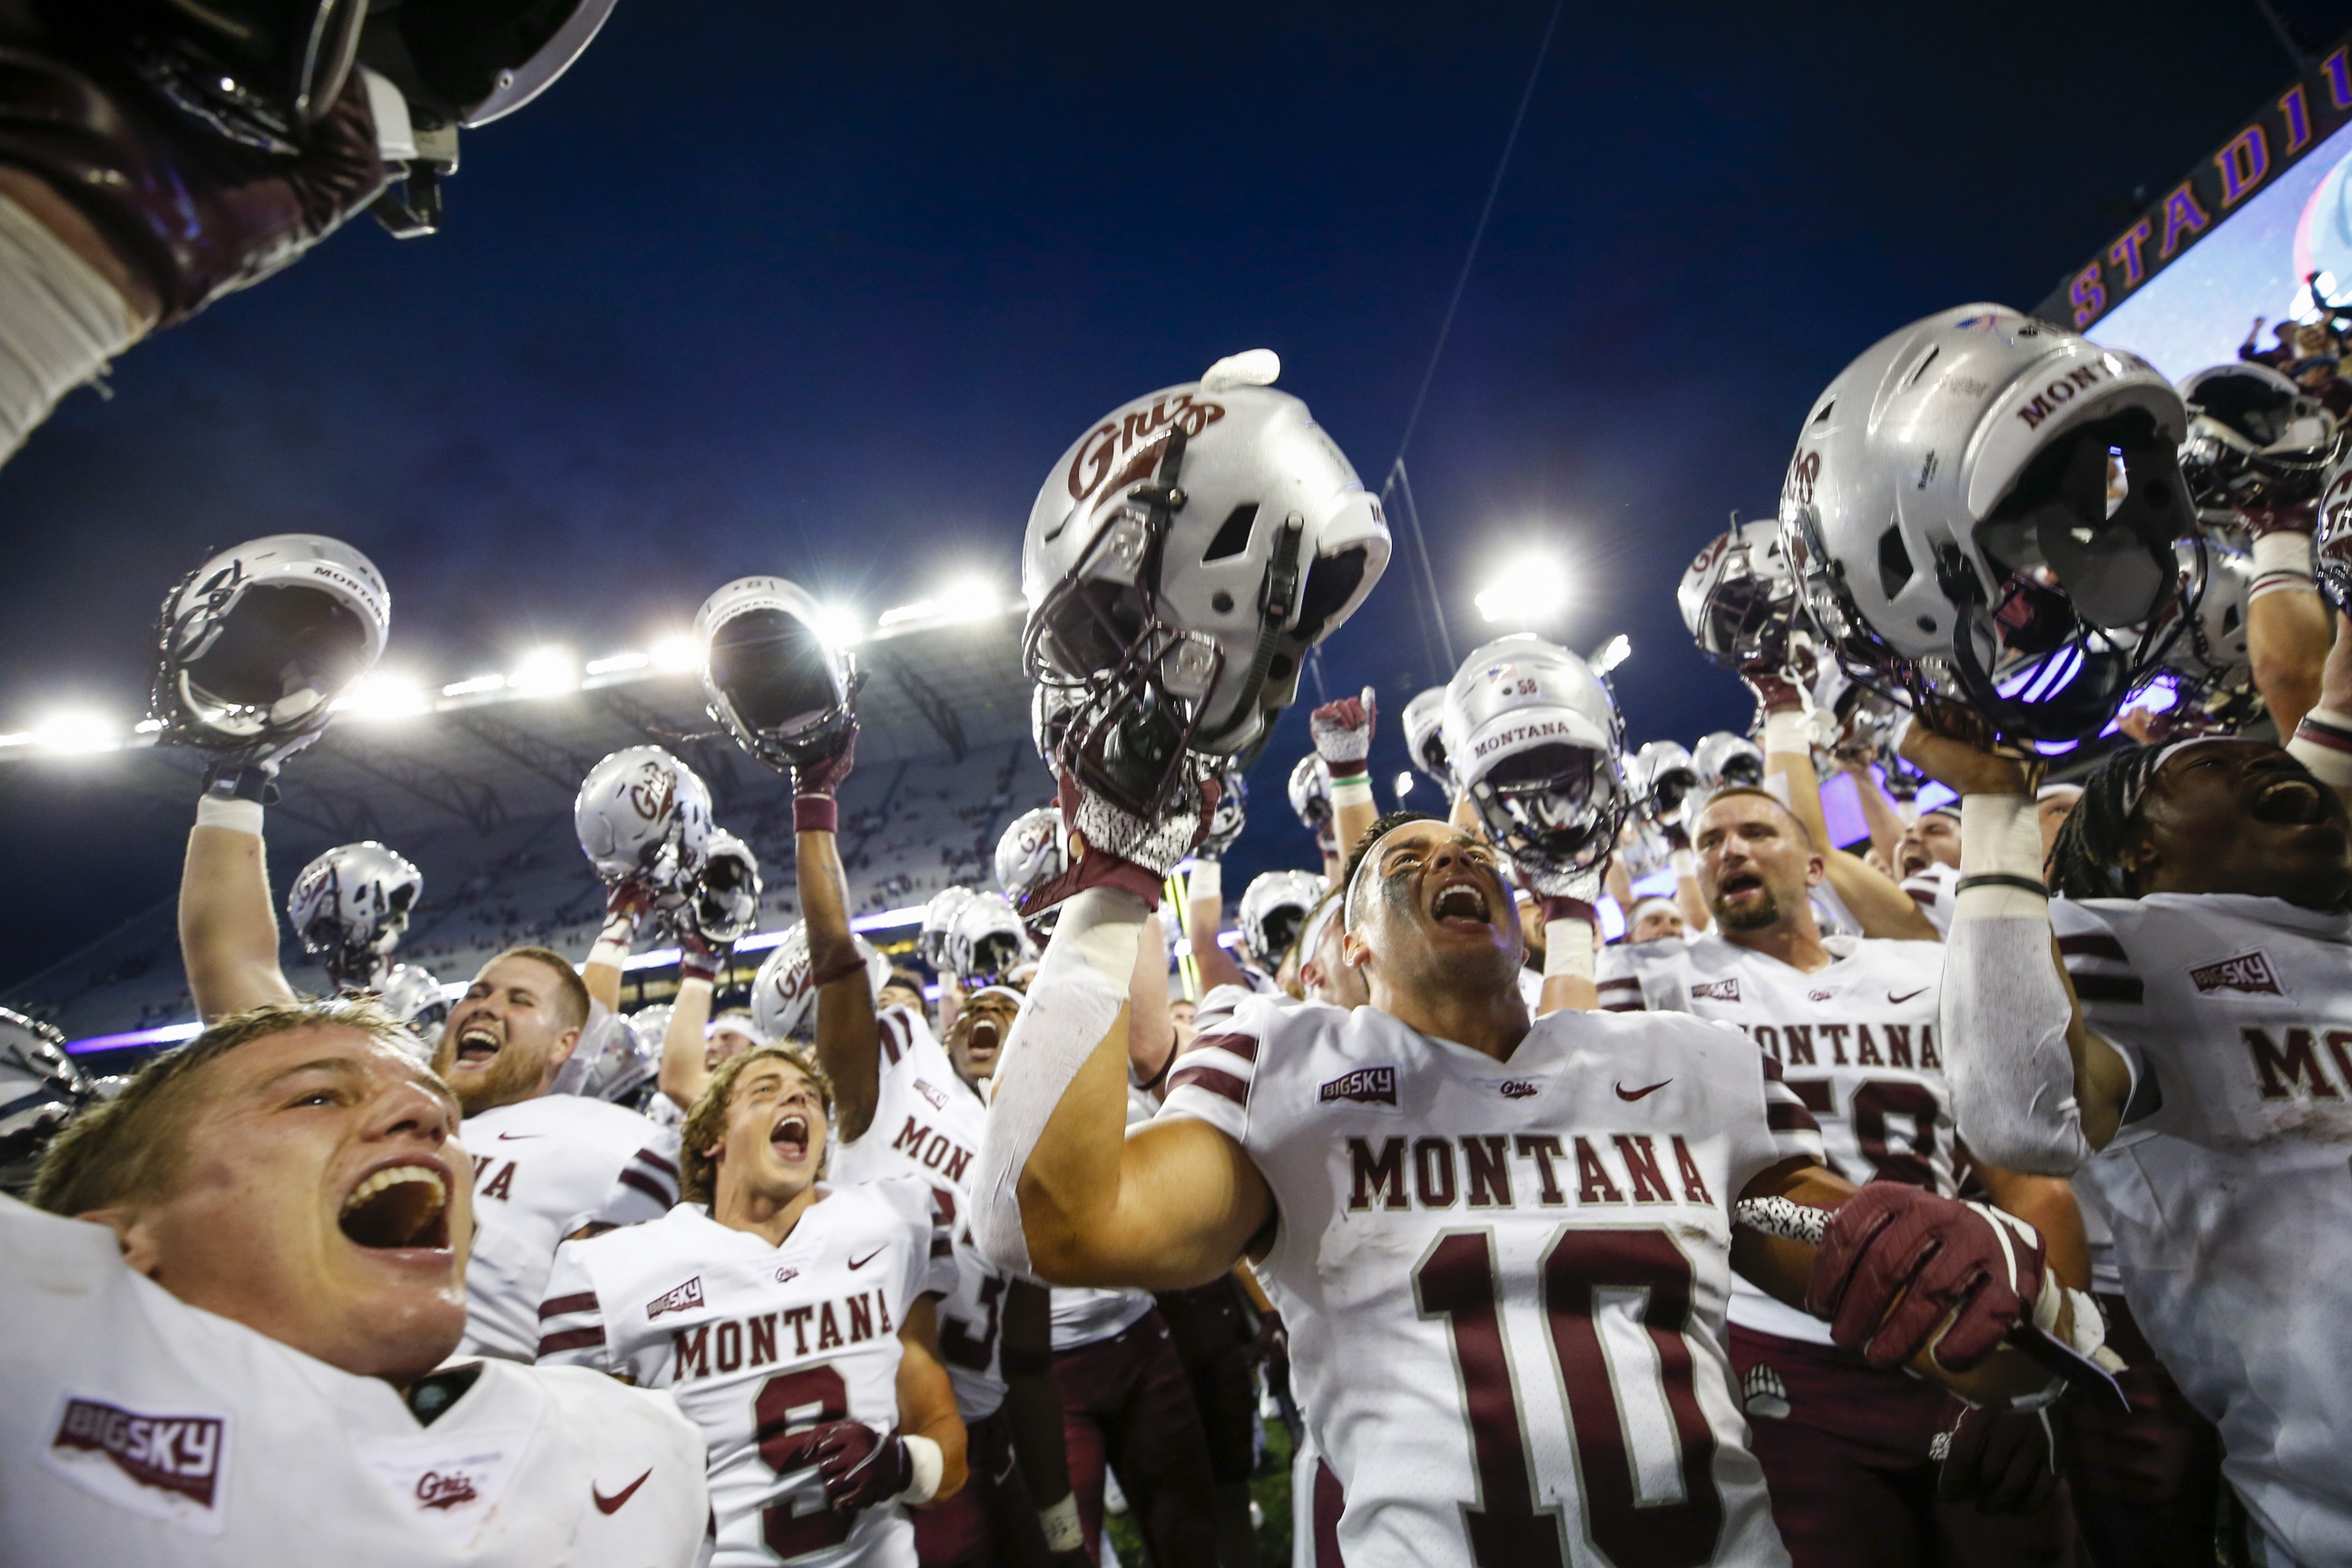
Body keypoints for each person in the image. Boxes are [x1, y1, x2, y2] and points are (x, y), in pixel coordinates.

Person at [974, 781, 2091, 1563]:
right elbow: (1056, 1224)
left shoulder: (1678, 1059)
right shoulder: (1286, 1057)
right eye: (1400, 863)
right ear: (1351, 948)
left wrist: (1992, 1283)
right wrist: (1111, 887)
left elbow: (1889, 1281)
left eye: (1470, 855)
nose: (1450, 860)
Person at [1910, 632, 2352, 1565]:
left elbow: (2331, 690)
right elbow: (2016, 1110)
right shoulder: (2132, 943)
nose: (2265, 763)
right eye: (2216, 763)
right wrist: (1995, 807)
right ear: (2139, 847)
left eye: (2271, 758)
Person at [10, 998, 706, 1564]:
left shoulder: (631, 1448)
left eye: (446, 1114)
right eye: (315, 1099)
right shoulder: (35, 1378)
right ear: (114, 1243)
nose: (430, 1118)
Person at [1597, 784, 2084, 1564]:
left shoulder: (1922, 969)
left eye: (1757, 831)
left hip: (1960, 1328)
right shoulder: (1654, 982)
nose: (1730, 849)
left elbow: (2026, 1181)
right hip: (1774, 1344)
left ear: (1817, 864)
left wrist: (2038, 1375)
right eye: (1709, 841)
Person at [174, 778, 684, 1363]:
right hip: (311, 1390)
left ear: (564, 1047)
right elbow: (234, 967)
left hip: (489, 1418)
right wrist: (232, 784)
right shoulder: (378, 1102)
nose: (487, 1005)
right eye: (478, 991)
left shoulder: (605, 1134)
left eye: (518, 1002)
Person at [771, 734, 1086, 1568]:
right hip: (883, 1429)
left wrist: (1057, 1513)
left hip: (988, 1431)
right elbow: (836, 955)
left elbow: (1026, 1357)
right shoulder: (871, 1089)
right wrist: (814, 806)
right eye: (969, 1007)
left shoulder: (992, 1119)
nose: (984, 1012)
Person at [538, 1044, 967, 1564]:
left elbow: (946, 1441)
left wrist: (903, 1466)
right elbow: (572, 1490)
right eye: (765, 1091)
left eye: (811, 1096)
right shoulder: (617, 1271)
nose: (796, 1096)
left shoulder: (888, 1225)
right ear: (711, 1138)